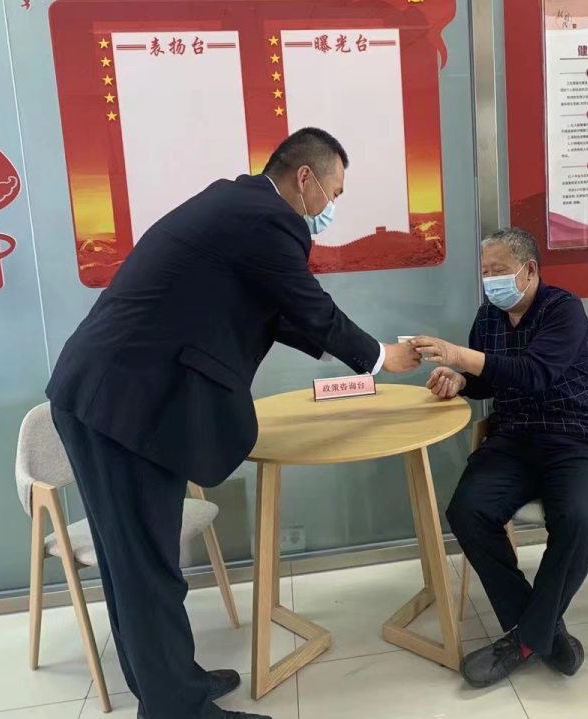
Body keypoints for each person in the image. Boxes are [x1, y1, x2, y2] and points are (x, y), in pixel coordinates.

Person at [46, 128, 421, 719]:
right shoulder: (268, 220)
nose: (331, 208)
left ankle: (172, 686)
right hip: (124, 406)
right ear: (305, 178)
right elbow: (308, 305)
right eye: (335, 192)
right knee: (145, 568)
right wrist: (379, 356)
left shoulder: (238, 206)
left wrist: (352, 350)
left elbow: (277, 309)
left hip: (113, 395)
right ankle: (176, 709)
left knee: (132, 561)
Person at [410, 227, 588, 688]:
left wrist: (460, 356)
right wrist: (461, 380)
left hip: (574, 438)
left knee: (581, 518)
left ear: (529, 270)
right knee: (467, 511)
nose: (490, 281)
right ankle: (542, 630)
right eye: (485, 272)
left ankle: (521, 642)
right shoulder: (488, 317)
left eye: (498, 271)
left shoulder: (564, 309)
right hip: (513, 439)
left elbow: (534, 373)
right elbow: (488, 380)